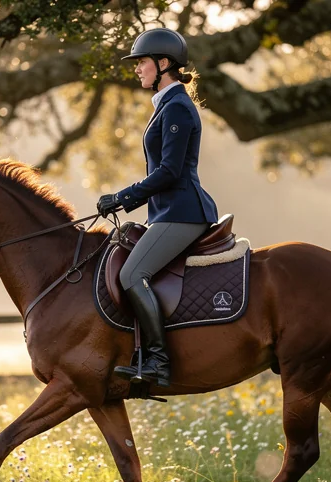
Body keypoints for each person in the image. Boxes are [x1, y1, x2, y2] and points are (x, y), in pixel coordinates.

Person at [96, 27, 220, 388]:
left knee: (132, 275)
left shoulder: (178, 107)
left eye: (142, 62)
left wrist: (123, 198)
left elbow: (169, 171)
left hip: (184, 212)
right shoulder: (167, 104)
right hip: (167, 212)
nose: (136, 69)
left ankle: (158, 364)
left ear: (163, 64)